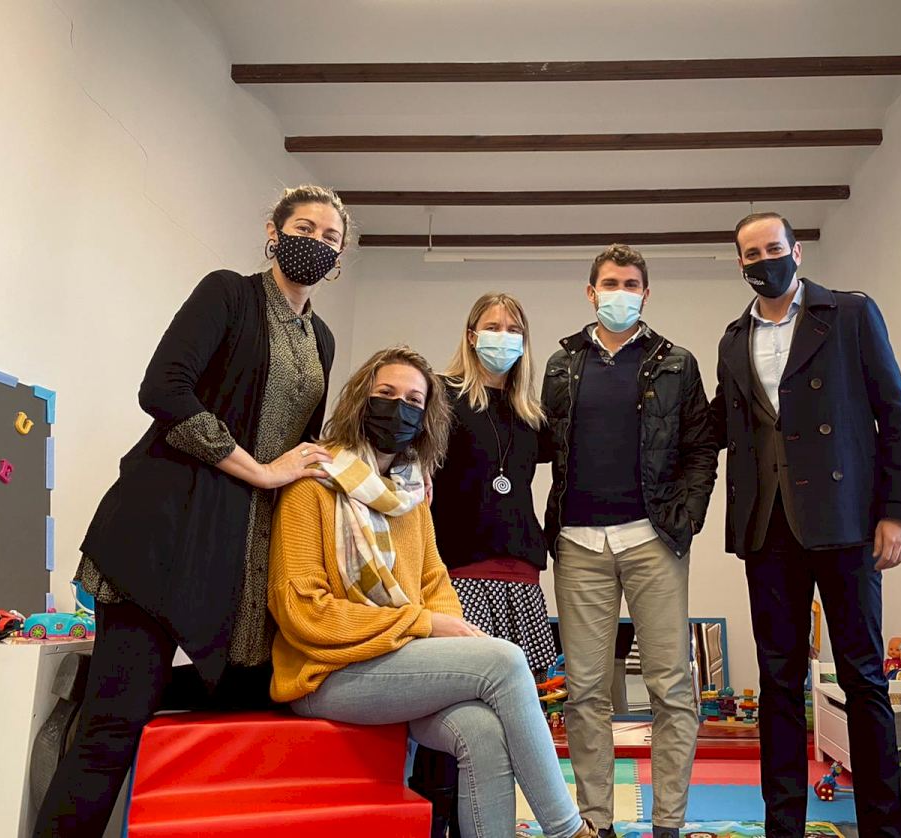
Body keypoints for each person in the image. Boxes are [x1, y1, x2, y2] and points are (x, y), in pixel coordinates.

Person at [36, 185, 350, 837]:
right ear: (273, 233)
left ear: (340, 257)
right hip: (164, 536)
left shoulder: (320, 338)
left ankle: (96, 685)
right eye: (304, 228)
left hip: (238, 554)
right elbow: (163, 388)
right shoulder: (229, 294)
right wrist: (259, 470)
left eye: (330, 238)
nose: (316, 244)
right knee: (113, 730)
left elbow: (301, 446)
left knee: (251, 698)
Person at [268, 347, 598, 838]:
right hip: (326, 674)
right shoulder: (312, 485)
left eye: (413, 401)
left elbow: (434, 583)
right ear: (360, 400)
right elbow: (302, 611)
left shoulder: (410, 495)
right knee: (506, 660)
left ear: (426, 418)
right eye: (386, 393)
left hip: (398, 665)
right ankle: (568, 830)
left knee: (484, 731)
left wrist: (435, 630)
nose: (398, 408)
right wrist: (422, 625)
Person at [711, 212, 901, 837]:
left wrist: (900, 511)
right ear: (740, 264)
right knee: (777, 683)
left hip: (846, 521)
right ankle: (783, 828)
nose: (764, 261)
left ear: (796, 251)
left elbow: (895, 413)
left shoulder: (850, 313)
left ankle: (883, 829)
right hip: (767, 527)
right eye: (751, 254)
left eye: (773, 248)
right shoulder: (732, 339)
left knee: (863, 677)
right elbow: (722, 426)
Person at [541, 244, 719, 838]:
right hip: (578, 544)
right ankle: (596, 822)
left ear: (646, 293)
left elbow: (701, 447)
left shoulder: (677, 363)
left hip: (653, 540)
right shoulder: (561, 365)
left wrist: (688, 517)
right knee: (585, 691)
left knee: (671, 687)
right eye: (610, 283)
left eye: (631, 284)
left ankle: (668, 823)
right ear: (590, 292)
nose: (620, 292)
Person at [416, 293, 553, 834]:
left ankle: (493, 820)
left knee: (517, 719)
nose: (503, 335)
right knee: (457, 714)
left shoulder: (531, 415)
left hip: (520, 576)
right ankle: (437, 819)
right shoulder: (441, 396)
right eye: (492, 326)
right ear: (471, 334)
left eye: (513, 328)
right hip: (458, 574)